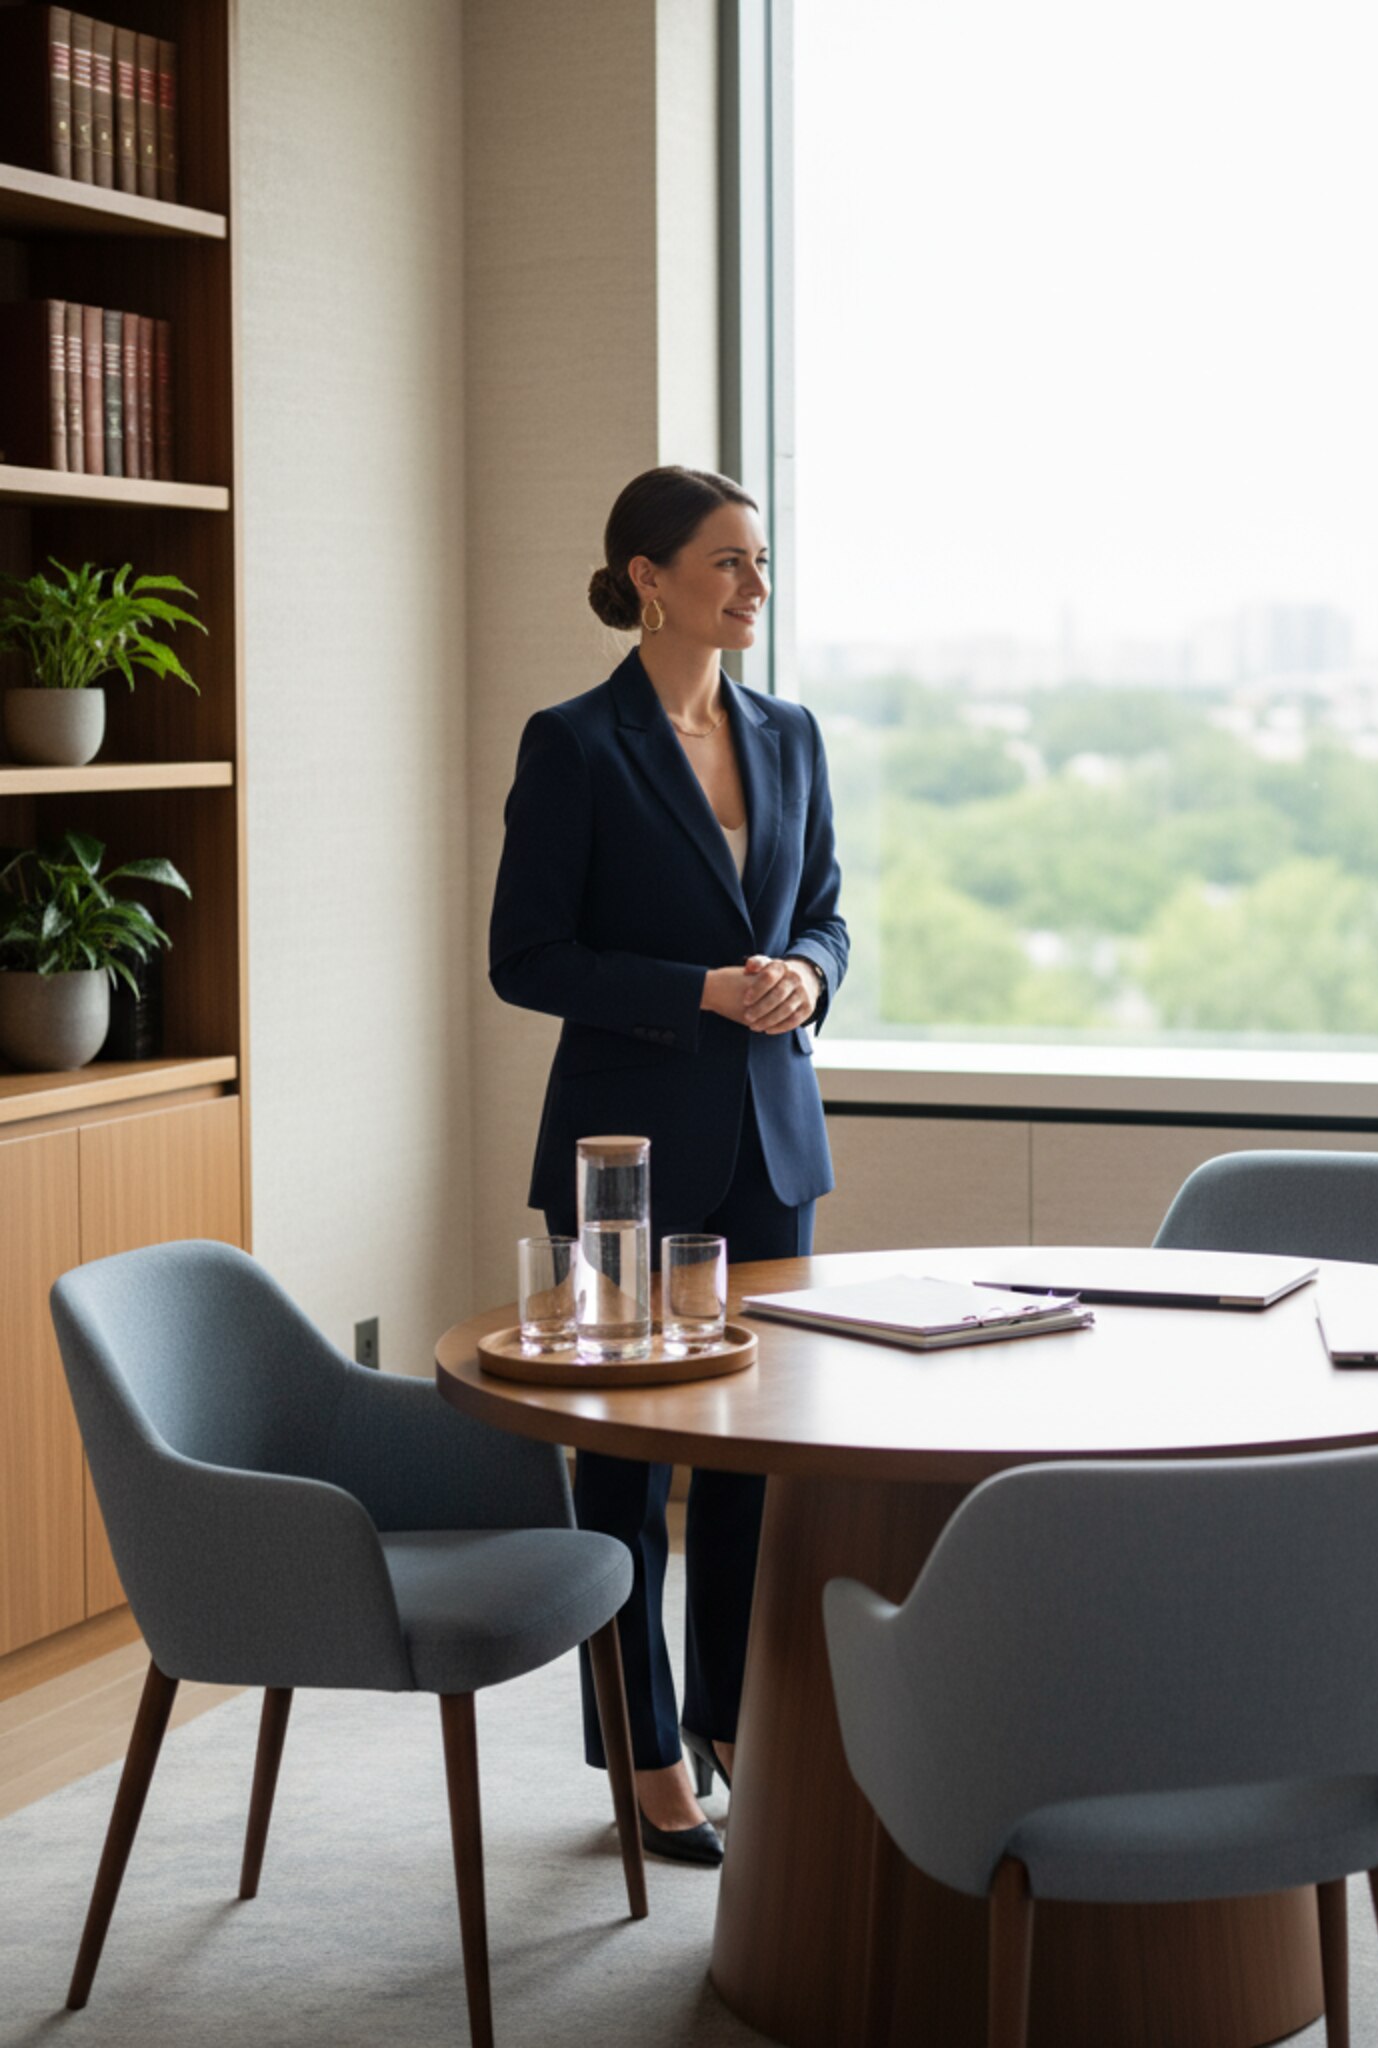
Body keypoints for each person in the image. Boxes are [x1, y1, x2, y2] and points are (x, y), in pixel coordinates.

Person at [489, 465, 848, 1864]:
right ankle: (642, 1751)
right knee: (627, 1469)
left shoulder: (790, 734)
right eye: (727, 562)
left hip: (773, 1142)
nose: (755, 585)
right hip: (625, 1156)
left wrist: (808, 977)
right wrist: (696, 991)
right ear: (648, 577)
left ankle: (733, 1721)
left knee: (755, 1457)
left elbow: (825, 913)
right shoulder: (576, 744)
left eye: (761, 561)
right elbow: (528, 958)